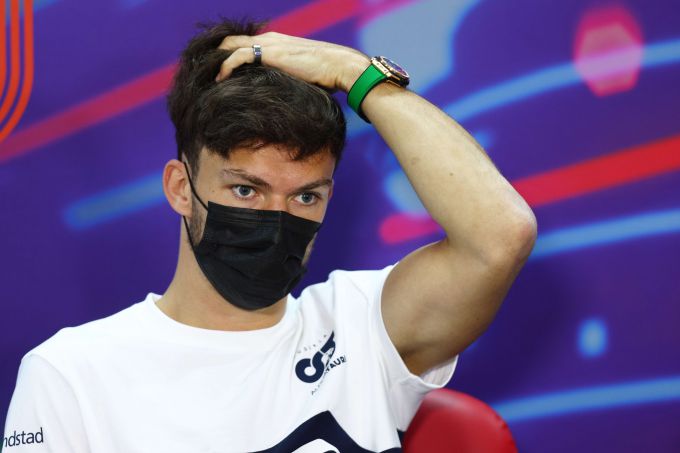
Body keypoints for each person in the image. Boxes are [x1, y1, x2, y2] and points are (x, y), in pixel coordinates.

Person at [3, 18, 536, 452]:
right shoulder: (71, 373)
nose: (276, 216)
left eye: (305, 197)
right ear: (181, 188)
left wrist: (354, 72)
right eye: (246, 190)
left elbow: (501, 235)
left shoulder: (362, 328)